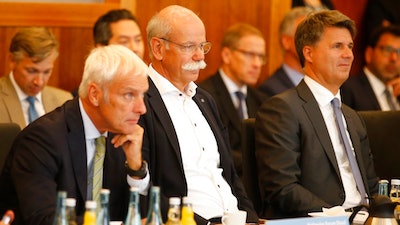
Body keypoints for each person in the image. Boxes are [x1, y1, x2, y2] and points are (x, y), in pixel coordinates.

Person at [0, 45, 150, 225]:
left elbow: (146, 215)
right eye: (129, 95)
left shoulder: (123, 134)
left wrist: (135, 168)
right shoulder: (42, 139)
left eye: (142, 95)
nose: (141, 108)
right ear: (95, 94)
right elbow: (44, 220)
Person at [140, 5, 258, 225]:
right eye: (188, 46)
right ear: (158, 48)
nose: (199, 55)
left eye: (203, 46)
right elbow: (142, 189)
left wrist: (250, 217)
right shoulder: (139, 102)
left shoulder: (205, 100)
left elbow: (229, 174)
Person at [255, 10, 379, 219]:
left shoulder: (352, 117)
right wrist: (339, 216)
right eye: (337, 46)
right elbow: (282, 188)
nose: (348, 54)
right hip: (322, 219)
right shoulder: (282, 109)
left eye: (349, 46)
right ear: (309, 53)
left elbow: (372, 186)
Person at [199, 23, 267, 178]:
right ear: (227, 55)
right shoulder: (204, 96)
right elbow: (215, 150)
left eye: (261, 57)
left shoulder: (261, 100)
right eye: (250, 54)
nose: (257, 64)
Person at [0, 27, 73, 129]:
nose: (39, 82)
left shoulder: (64, 101)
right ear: (12, 61)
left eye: (46, 72)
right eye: (31, 71)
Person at [72, 9, 146, 97]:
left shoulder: (154, 89)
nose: (134, 48)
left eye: (138, 40)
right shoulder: (84, 97)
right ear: (101, 48)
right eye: (124, 41)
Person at [341, 25, 400, 111]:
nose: (394, 58)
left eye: (399, 52)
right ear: (369, 54)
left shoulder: (397, 91)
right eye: (388, 50)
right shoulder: (348, 89)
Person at [258, 7, 313, 96]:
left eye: (315, 36)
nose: (312, 41)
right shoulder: (270, 90)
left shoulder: (323, 85)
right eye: (305, 35)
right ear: (286, 42)